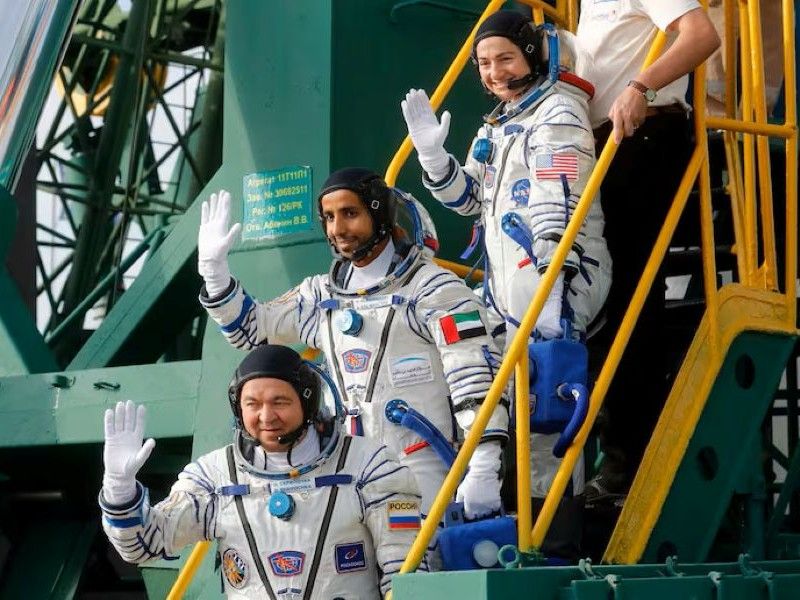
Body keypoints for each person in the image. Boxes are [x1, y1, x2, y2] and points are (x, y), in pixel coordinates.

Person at [197, 169, 510, 556]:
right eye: (329, 218)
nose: (338, 228)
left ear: (380, 215)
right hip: (348, 473)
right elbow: (250, 330)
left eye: (349, 213)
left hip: (422, 468)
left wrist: (483, 461)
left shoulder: (433, 288)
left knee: (418, 573)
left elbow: (473, 375)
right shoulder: (321, 297)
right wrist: (215, 276)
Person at [401, 11, 612, 559]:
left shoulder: (561, 109)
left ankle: (554, 540)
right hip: (508, 281)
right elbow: (471, 202)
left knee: (546, 407)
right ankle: (504, 516)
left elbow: (558, 203)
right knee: (486, 382)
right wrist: (432, 155)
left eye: (504, 59)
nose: (493, 72)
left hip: (556, 275)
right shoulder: (498, 123)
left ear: (533, 56)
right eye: (484, 64)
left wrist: (552, 290)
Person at [99, 344, 424, 598]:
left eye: (280, 401)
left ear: (307, 402)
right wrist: (119, 487)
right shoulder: (214, 478)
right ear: (238, 409)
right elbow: (142, 545)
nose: (266, 416)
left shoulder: (369, 467)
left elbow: (407, 575)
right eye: (252, 404)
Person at [575, 1, 720, 503]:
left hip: (644, 138)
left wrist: (641, 86)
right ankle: (617, 455)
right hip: (603, 145)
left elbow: (701, 35)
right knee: (602, 303)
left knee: (629, 299)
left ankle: (631, 461)